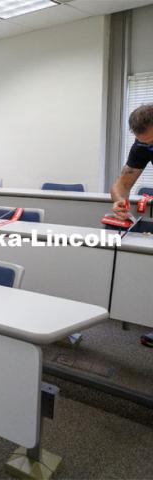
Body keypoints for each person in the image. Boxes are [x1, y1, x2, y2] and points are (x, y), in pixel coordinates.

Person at [110, 103, 153, 347]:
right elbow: (121, 185)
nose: (149, 147)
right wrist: (119, 202)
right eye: (146, 144)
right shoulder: (143, 144)